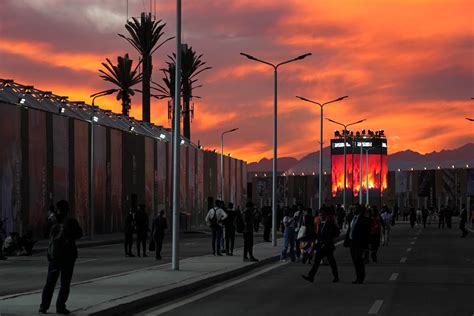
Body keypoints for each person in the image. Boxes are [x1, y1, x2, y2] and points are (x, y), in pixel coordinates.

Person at [39, 200, 83, 314]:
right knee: (65, 283)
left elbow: (44, 234)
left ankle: (44, 306)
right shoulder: (71, 221)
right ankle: (60, 306)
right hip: (68, 256)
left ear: (57, 209)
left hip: (54, 256)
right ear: (68, 209)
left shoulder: (52, 221)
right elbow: (79, 234)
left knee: (50, 282)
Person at [302, 207, 340, 283]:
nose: (320, 216)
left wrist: (325, 242)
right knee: (320, 261)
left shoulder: (329, 223)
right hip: (322, 245)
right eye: (319, 214)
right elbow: (318, 235)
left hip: (327, 246)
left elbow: (331, 234)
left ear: (325, 215)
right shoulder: (321, 223)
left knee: (330, 261)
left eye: (322, 214)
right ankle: (311, 276)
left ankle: (335, 276)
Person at [344, 204, 370, 284]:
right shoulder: (352, 218)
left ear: (359, 210)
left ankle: (361, 277)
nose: (353, 210)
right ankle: (357, 276)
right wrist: (347, 239)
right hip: (352, 242)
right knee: (355, 260)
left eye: (355, 209)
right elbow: (350, 229)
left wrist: (366, 245)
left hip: (359, 242)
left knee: (358, 259)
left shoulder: (363, 219)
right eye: (353, 208)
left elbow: (366, 232)